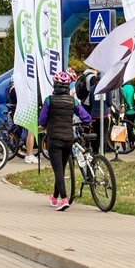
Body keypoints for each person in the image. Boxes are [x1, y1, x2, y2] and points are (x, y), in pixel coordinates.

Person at [38, 71, 92, 211]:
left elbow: (42, 120)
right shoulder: (72, 101)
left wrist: (45, 123)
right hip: (68, 139)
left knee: (58, 170)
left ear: (55, 85)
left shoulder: (49, 100)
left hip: (54, 139)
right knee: (60, 168)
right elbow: (86, 117)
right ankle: (54, 198)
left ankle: (64, 199)